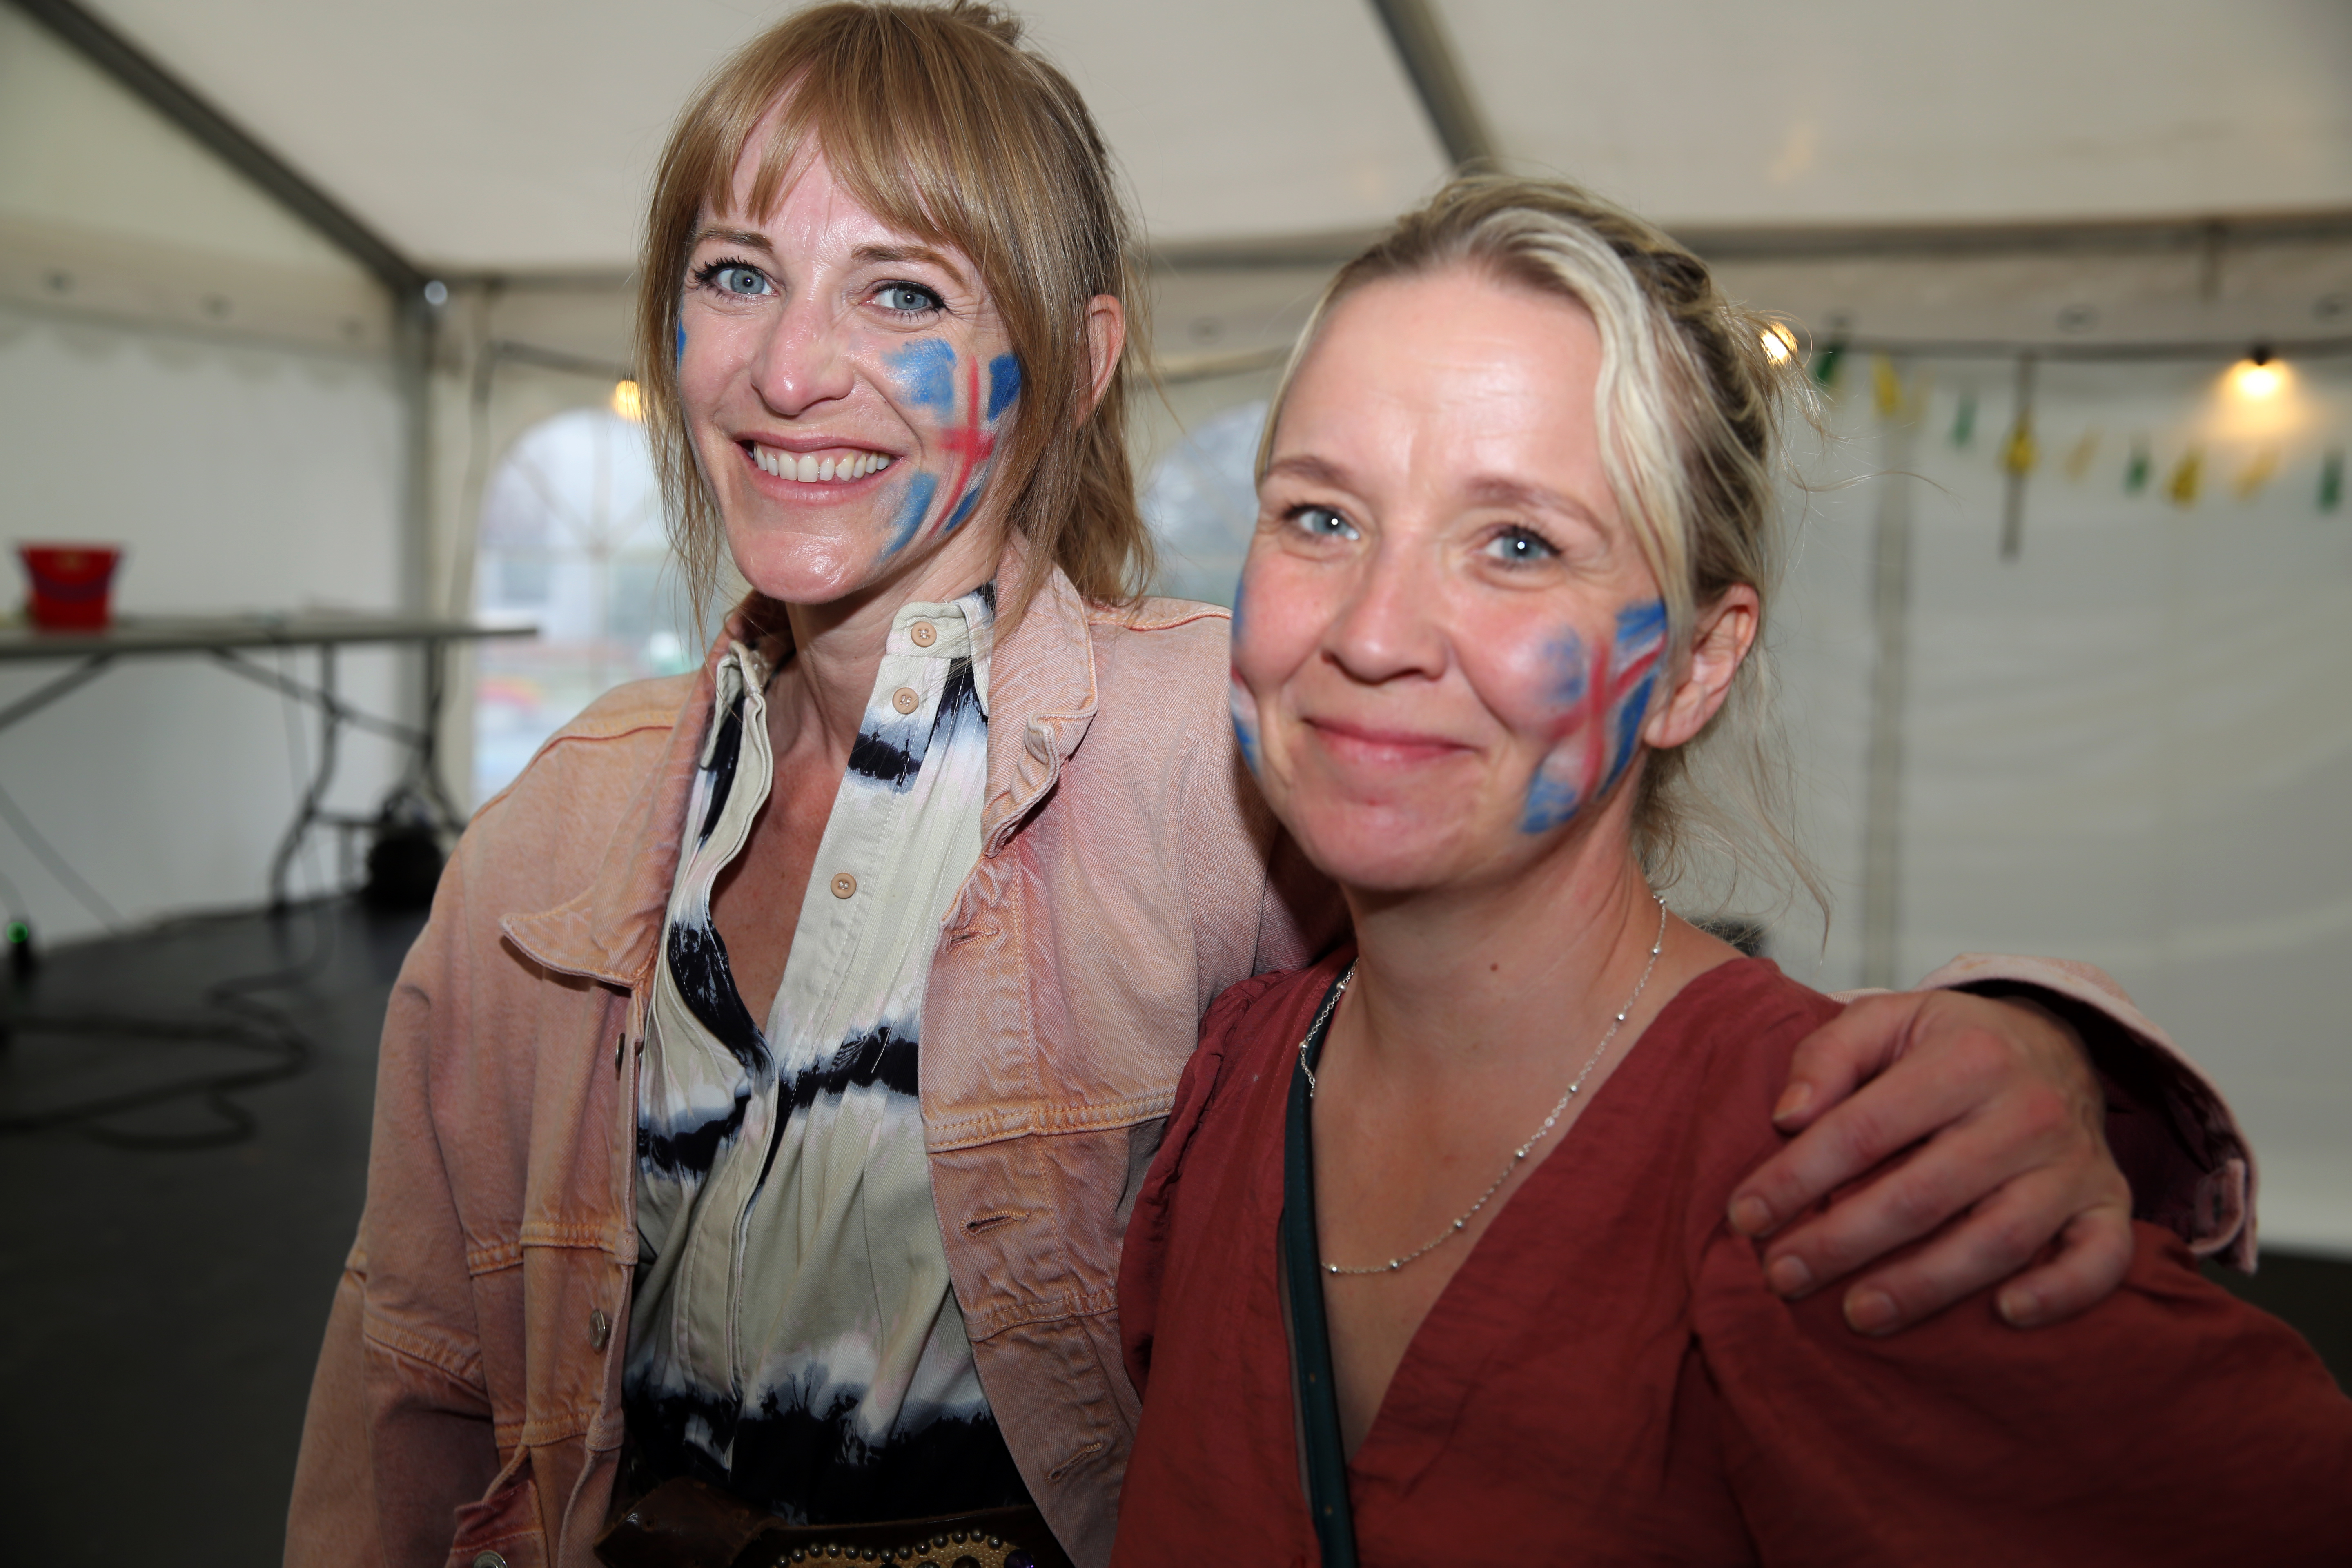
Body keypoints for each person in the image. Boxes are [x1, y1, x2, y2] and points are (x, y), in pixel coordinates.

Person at [284, 8, 2256, 1567]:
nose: (798, 367)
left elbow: (1583, 1008)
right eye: (736, 273)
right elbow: (413, 1372)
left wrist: (2043, 1051)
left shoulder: (1208, 750)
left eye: (902, 293)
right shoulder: (562, 824)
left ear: (1066, 357)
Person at [1112, 173, 2352, 1566]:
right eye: (1321, 518)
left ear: (1697, 668)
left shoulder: (1843, 1181)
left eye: (1518, 544)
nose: (1376, 632)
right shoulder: (1236, 1077)